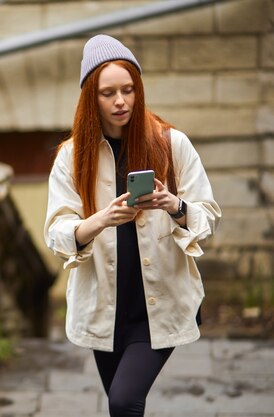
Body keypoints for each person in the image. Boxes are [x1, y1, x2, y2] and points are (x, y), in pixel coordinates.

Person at [44, 34, 222, 417]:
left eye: (128, 90)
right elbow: (56, 232)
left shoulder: (172, 144)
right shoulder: (72, 157)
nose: (121, 101)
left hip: (161, 302)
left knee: (124, 401)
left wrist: (175, 206)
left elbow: (207, 217)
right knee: (121, 407)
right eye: (108, 93)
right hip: (102, 307)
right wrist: (98, 221)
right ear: (91, 98)